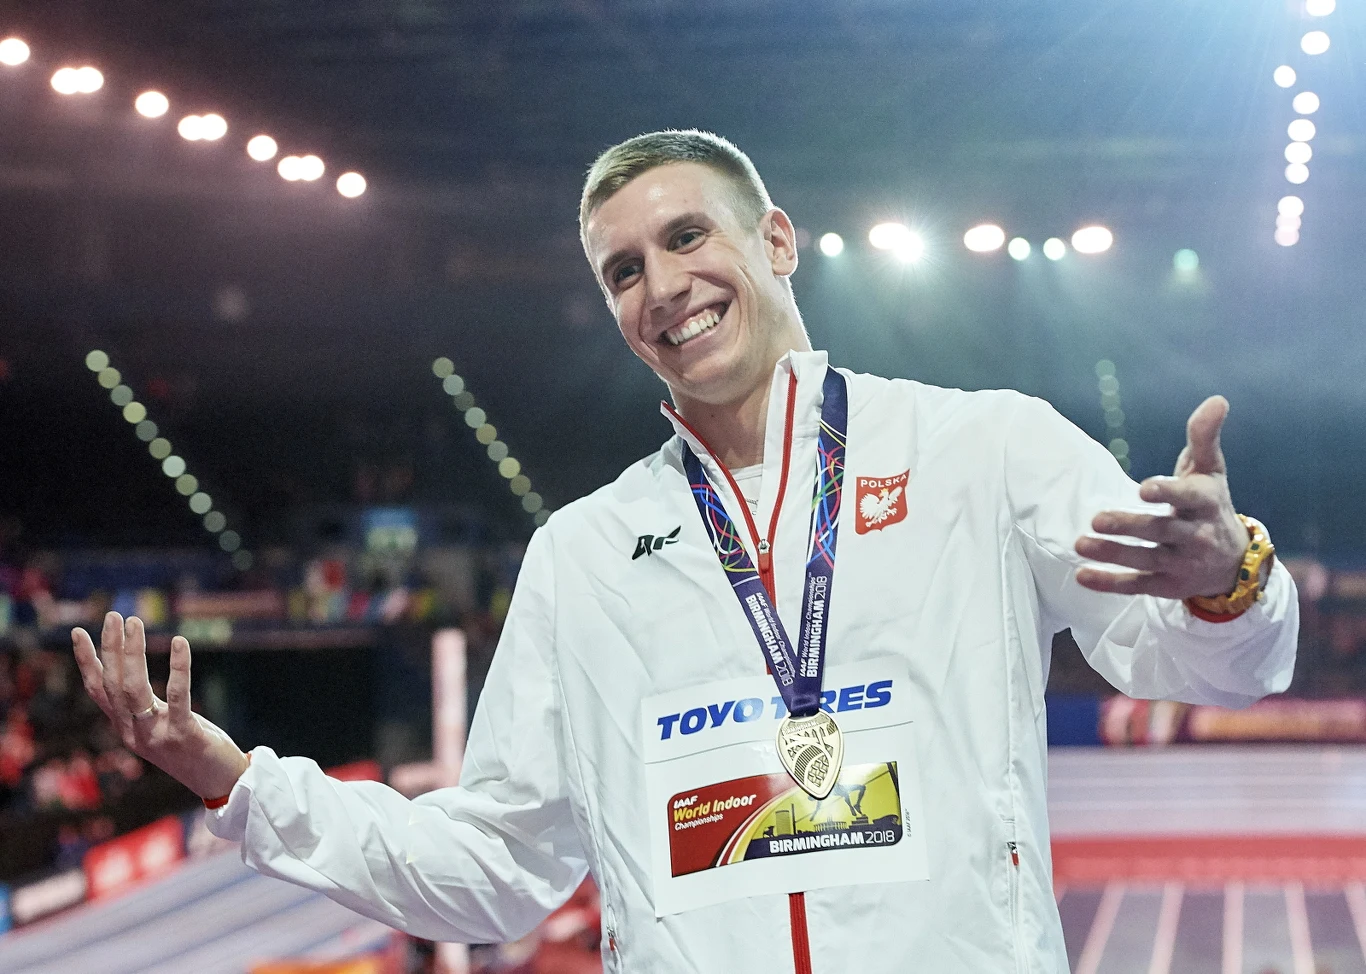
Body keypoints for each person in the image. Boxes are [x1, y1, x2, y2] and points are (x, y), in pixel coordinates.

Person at [72, 130, 1297, 973]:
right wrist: (244, 786)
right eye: (622, 270)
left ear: (773, 240)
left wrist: (1227, 583)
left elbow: (1211, 668)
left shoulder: (981, 447)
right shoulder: (583, 551)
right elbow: (498, 862)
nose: (662, 284)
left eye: (685, 237)